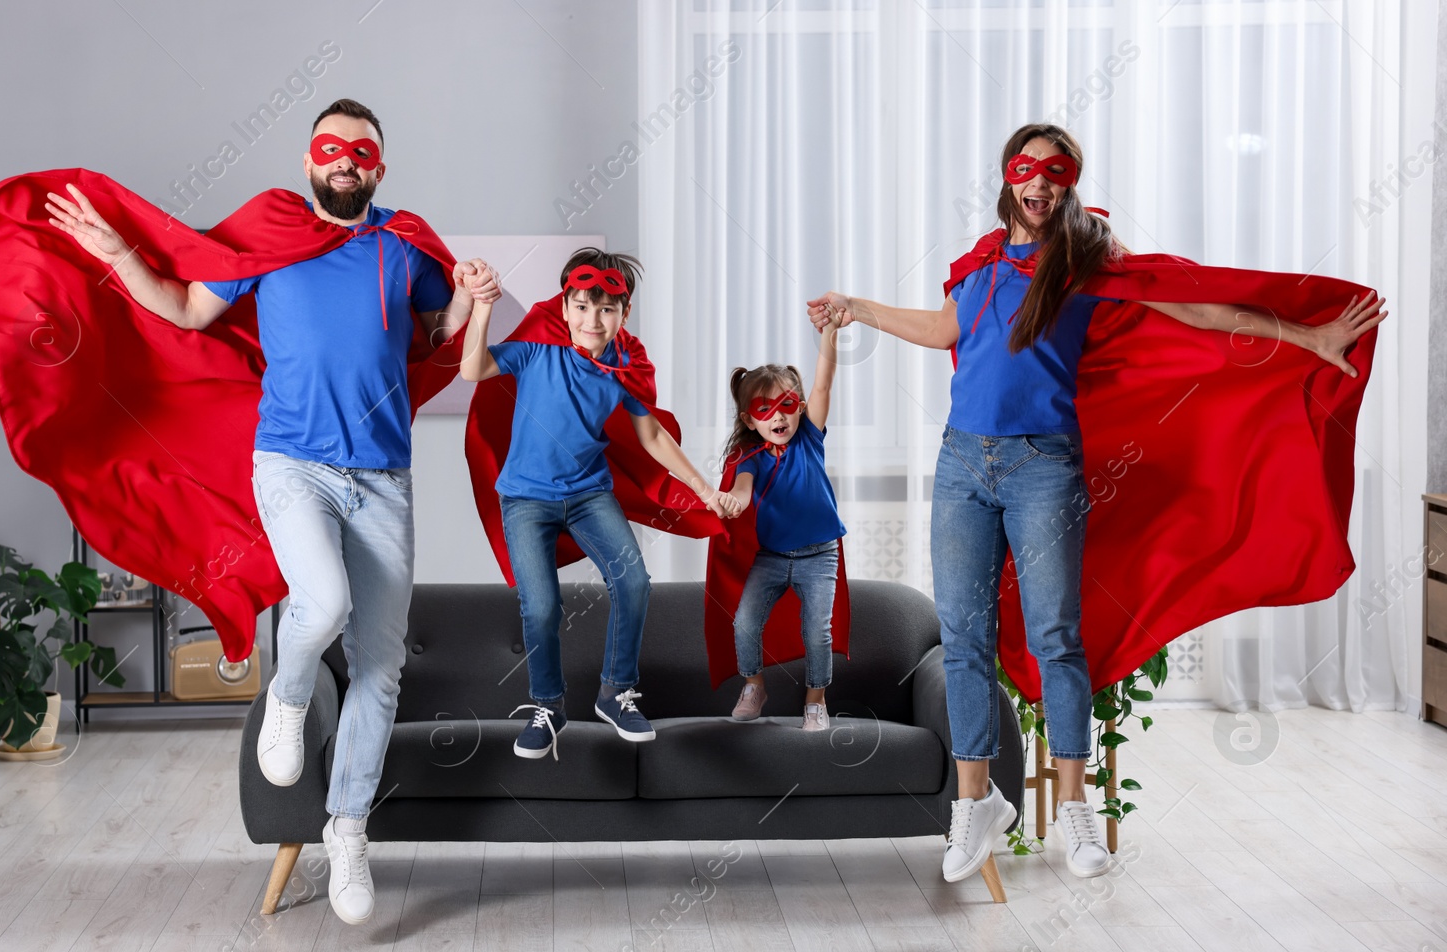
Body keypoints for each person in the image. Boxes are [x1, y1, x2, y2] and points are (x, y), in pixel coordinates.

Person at [808, 122, 1384, 884]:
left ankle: (1078, 812)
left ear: (1069, 183)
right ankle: (975, 803)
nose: (1039, 183)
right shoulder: (978, 262)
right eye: (1027, 169)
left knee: (1057, 636)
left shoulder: (1086, 261)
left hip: (1043, 466)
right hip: (960, 465)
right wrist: (860, 308)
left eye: (1055, 172)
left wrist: (1307, 337)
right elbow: (945, 328)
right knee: (966, 635)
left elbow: (1201, 312)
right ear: (1008, 176)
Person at [43, 98, 496, 926]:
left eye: (361, 151)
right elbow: (185, 309)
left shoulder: (404, 243)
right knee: (320, 603)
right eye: (331, 148)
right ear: (309, 161)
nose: (345, 160)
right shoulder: (269, 237)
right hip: (291, 464)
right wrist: (114, 253)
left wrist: (466, 297)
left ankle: (348, 827)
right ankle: (286, 698)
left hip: (384, 479)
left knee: (380, 663)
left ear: (379, 168)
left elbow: (436, 334)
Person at [458, 249, 737, 761]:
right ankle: (548, 705)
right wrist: (481, 307)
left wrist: (704, 490)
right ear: (564, 308)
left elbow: (651, 434)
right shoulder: (537, 349)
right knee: (541, 606)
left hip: (589, 495)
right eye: (582, 307)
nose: (593, 320)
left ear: (623, 315)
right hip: (524, 499)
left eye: (607, 309)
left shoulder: (623, 368)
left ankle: (615, 691)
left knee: (632, 581)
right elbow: (473, 369)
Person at [721, 305, 848, 731]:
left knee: (817, 633)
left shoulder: (809, 437)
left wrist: (829, 331)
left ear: (799, 407)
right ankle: (754, 685)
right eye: (764, 409)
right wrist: (736, 499)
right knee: (744, 622)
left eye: (787, 404)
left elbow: (825, 384)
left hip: (819, 555)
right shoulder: (750, 456)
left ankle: (816, 701)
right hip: (772, 557)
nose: (778, 416)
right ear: (748, 420)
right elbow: (741, 486)